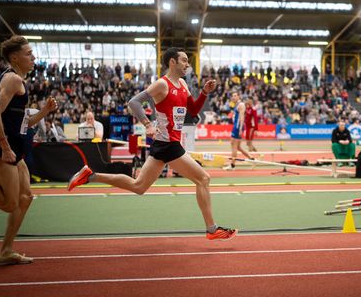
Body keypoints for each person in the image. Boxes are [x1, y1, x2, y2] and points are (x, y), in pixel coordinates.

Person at [68, 47, 237, 241]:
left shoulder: (182, 83)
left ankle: (91, 176)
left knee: (138, 186)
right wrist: (147, 124)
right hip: (168, 144)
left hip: (165, 144)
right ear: (172, 62)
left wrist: (205, 93)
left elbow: (192, 110)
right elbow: (133, 102)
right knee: (203, 178)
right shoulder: (161, 84)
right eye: (183, 60)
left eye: (188, 61)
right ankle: (212, 229)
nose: (187, 64)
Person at [0, 36, 58, 265]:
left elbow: (23, 124)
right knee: (9, 203)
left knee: (26, 197)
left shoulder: (19, 81)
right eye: (29, 53)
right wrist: (5, 148)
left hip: (15, 147)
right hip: (4, 148)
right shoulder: (12, 79)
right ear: (15, 57)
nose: (33, 57)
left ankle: (6, 250)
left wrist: (44, 111)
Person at [225, 91, 253, 170]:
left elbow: (242, 117)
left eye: (235, 96)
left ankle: (232, 165)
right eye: (232, 96)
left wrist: (240, 129)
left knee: (234, 145)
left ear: (238, 96)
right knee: (238, 147)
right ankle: (251, 158)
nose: (233, 97)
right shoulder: (237, 104)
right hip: (236, 127)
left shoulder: (241, 105)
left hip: (237, 128)